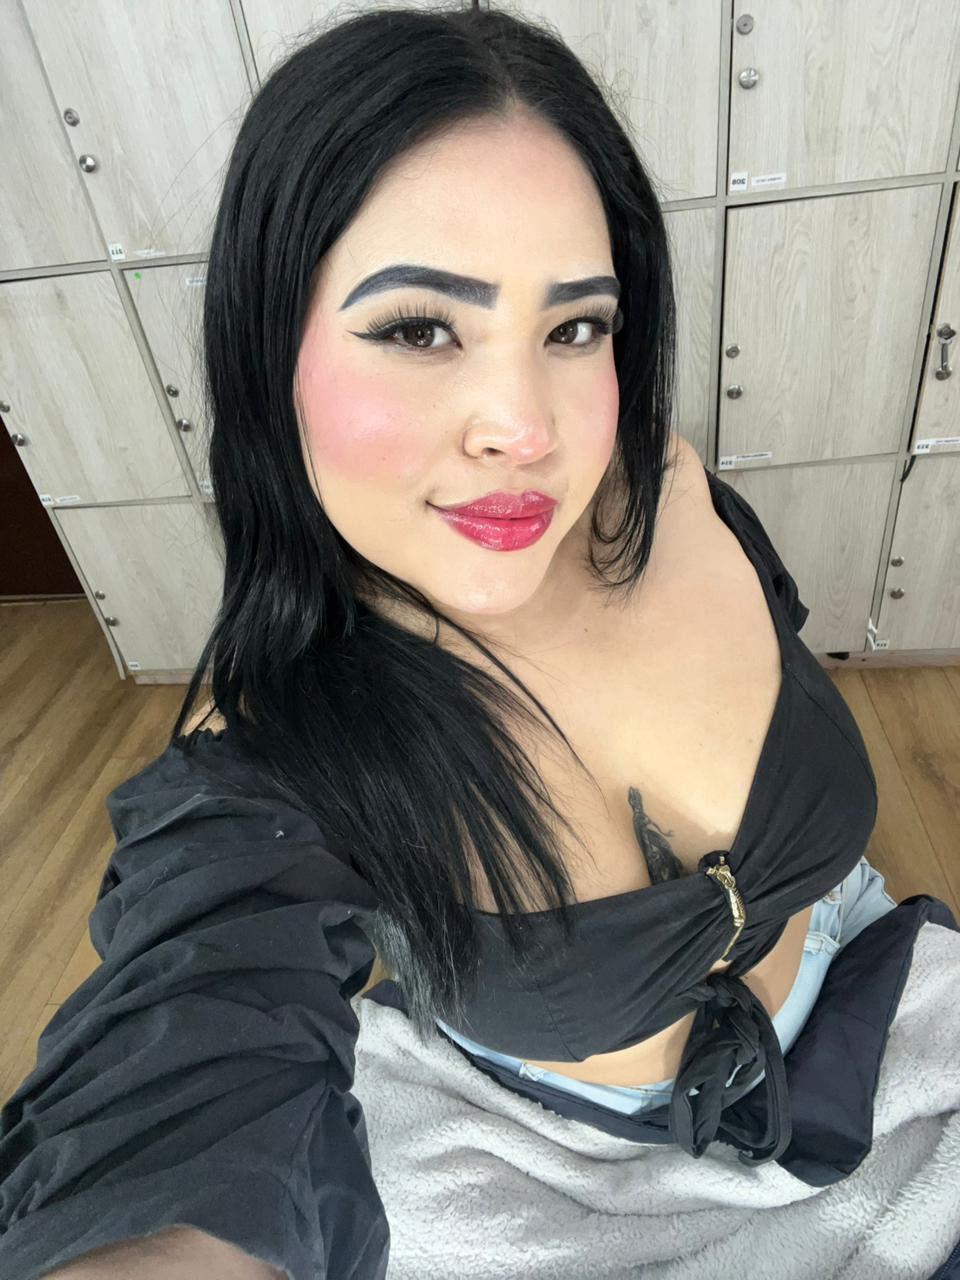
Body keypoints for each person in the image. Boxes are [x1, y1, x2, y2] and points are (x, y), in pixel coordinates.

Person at [1, 6, 946, 1279]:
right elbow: (187, 1073)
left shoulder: (672, 486)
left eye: (575, 327)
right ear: (270, 351)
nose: (525, 427)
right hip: (583, 1142)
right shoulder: (264, 768)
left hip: (862, 967)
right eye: (419, 328)